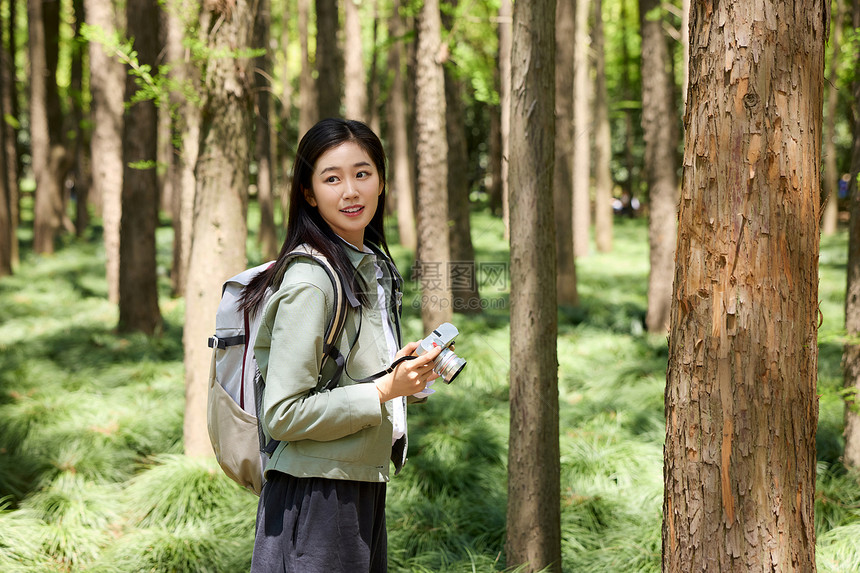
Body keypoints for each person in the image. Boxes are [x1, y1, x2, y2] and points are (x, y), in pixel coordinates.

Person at [243, 118, 442, 573]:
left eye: (362, 173)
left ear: (381, 181)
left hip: (357, 484)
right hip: (316, 497)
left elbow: (343, 372)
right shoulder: (312, 281)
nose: (350, 190)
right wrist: (381, 391)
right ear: (309, 193)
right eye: (332, 178)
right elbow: (282, 412)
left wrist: (399, 376)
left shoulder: (365, 265)